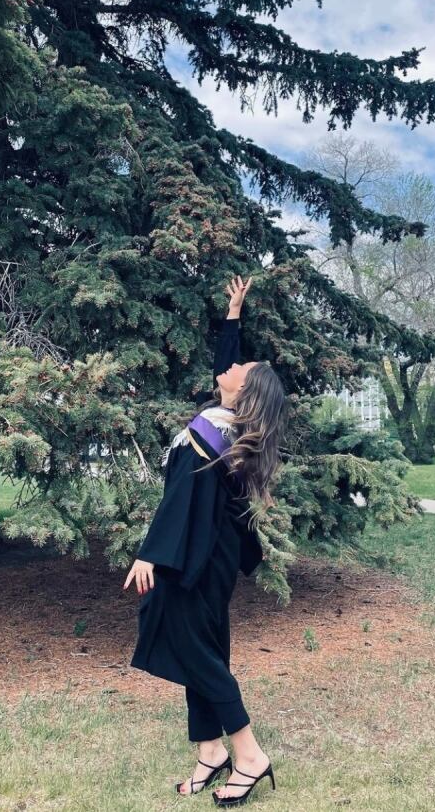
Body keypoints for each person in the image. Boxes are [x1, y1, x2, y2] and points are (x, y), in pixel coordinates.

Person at [124, 275, 288, 806]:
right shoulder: (227, 424)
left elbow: (182, 500)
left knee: (199, 653)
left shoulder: (214, 434)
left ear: (244, 392)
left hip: (195, 558)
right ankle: (210, 754)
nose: (231, 367)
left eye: (241, 369)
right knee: (203, 650)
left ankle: (248, 755)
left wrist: (152, 550)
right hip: (209, 557)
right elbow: (230, 367)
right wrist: (233, 317)